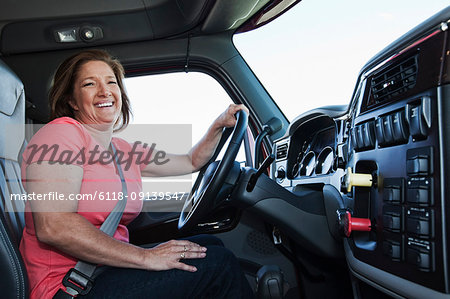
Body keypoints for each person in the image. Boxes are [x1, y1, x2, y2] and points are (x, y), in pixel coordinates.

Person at [19, 49, 254, 298]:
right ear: (72, 101)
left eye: (111, 82)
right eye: (90, 84)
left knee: (209, 246)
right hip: (69, 286)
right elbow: (54, 226)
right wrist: (146, 257)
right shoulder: (60, 135)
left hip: (105, 271)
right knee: (218, 266)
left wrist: (217, 126)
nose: (104, 91)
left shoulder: (122, 151)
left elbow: (190, 160)